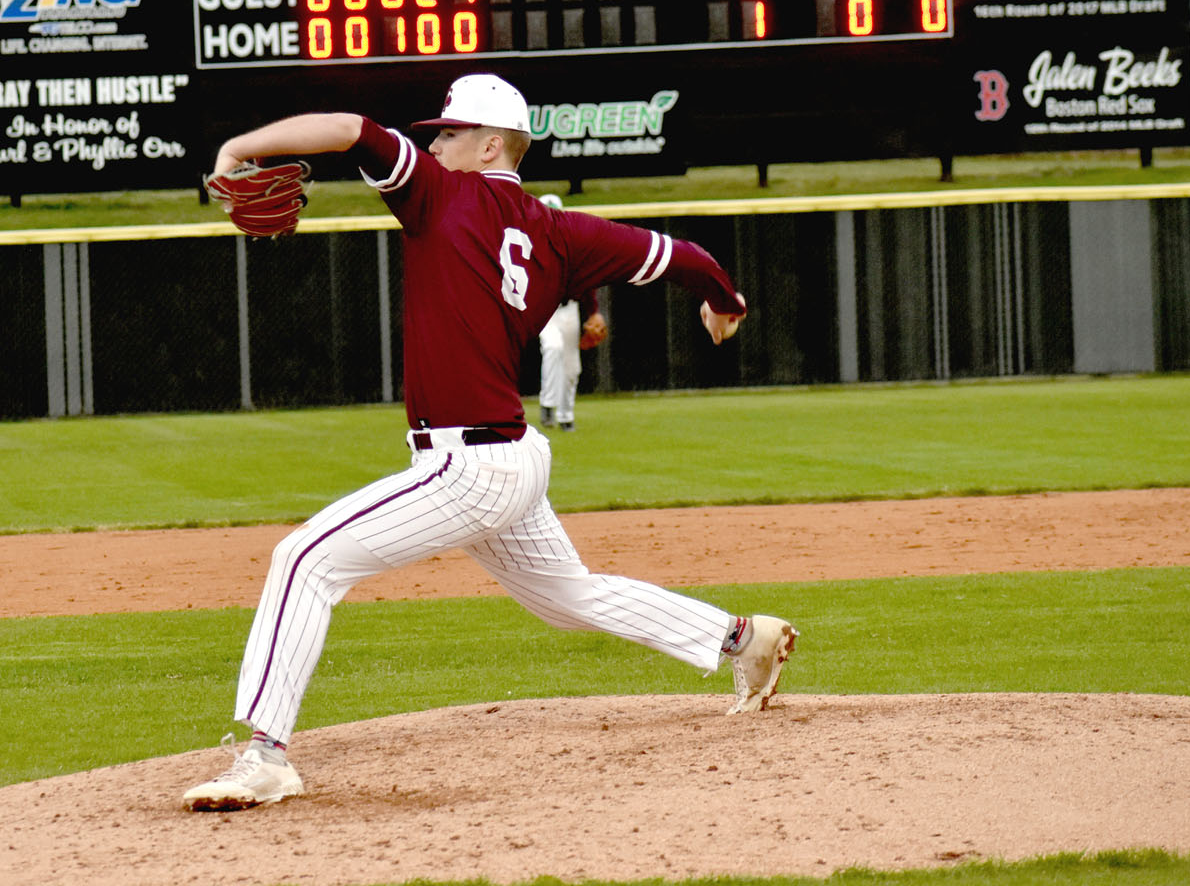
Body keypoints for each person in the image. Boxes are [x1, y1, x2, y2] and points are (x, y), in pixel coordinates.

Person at [183, 72, 797, 811]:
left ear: (491, 144)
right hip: (510, 456)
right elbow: (686, 257)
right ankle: (743, 640)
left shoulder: (439, 193)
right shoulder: (562, 230)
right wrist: (724, 304)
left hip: (467, 466)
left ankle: (266, 756)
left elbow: (348, 125)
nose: (433, 142)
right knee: (568, 597)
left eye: (447, 132)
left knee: (304, 559)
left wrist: (238, 146)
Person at [536, 192, 605, 431]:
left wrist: (594, 312)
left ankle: (565, 416)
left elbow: (585, 282)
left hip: (569, 309)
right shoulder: (531, 243)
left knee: (572, 366)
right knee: (553, 347)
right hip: (544, 309)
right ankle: (547, 405)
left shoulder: (571, 244)